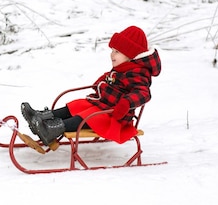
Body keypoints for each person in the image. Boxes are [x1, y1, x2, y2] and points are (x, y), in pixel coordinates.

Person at [21, 25, 161, 147]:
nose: (112, 54)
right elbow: (116, 81)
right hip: (102, 106)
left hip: (115, 117)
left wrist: (126, 103)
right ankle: (42, 117)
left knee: (89, 115)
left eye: (117, 52)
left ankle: (52, 128)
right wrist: (104, 80)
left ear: (130, 55)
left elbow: (143, 93)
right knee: (78, 105)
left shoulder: (137, 73)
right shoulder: (123, 68)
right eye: (112, 50)